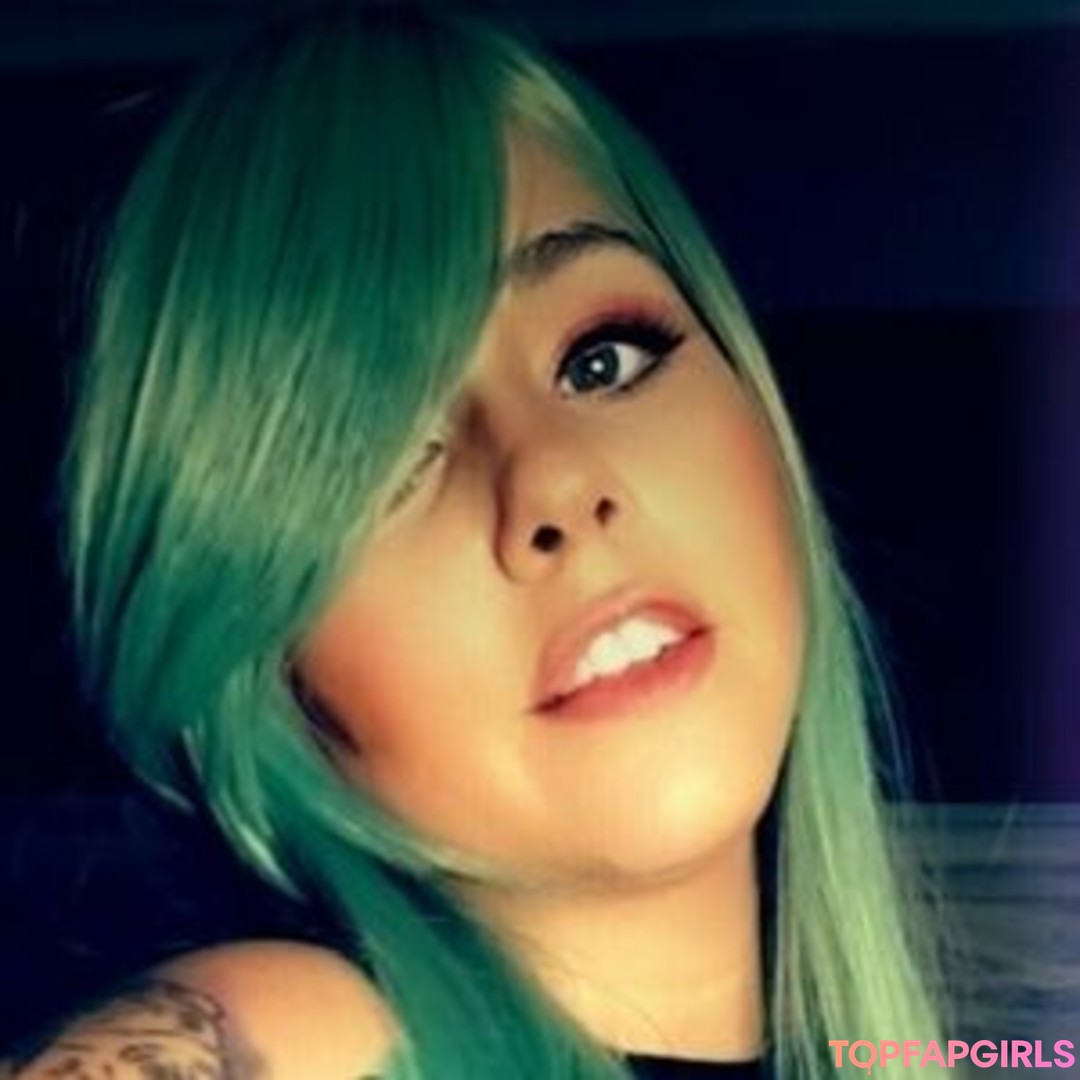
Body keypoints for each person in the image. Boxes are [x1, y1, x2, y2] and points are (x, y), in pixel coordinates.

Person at [3, 3, 952, 1077]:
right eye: (376, 458)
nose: (553, 480)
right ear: (264, 661)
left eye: (603, 359)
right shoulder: (302, 1040)